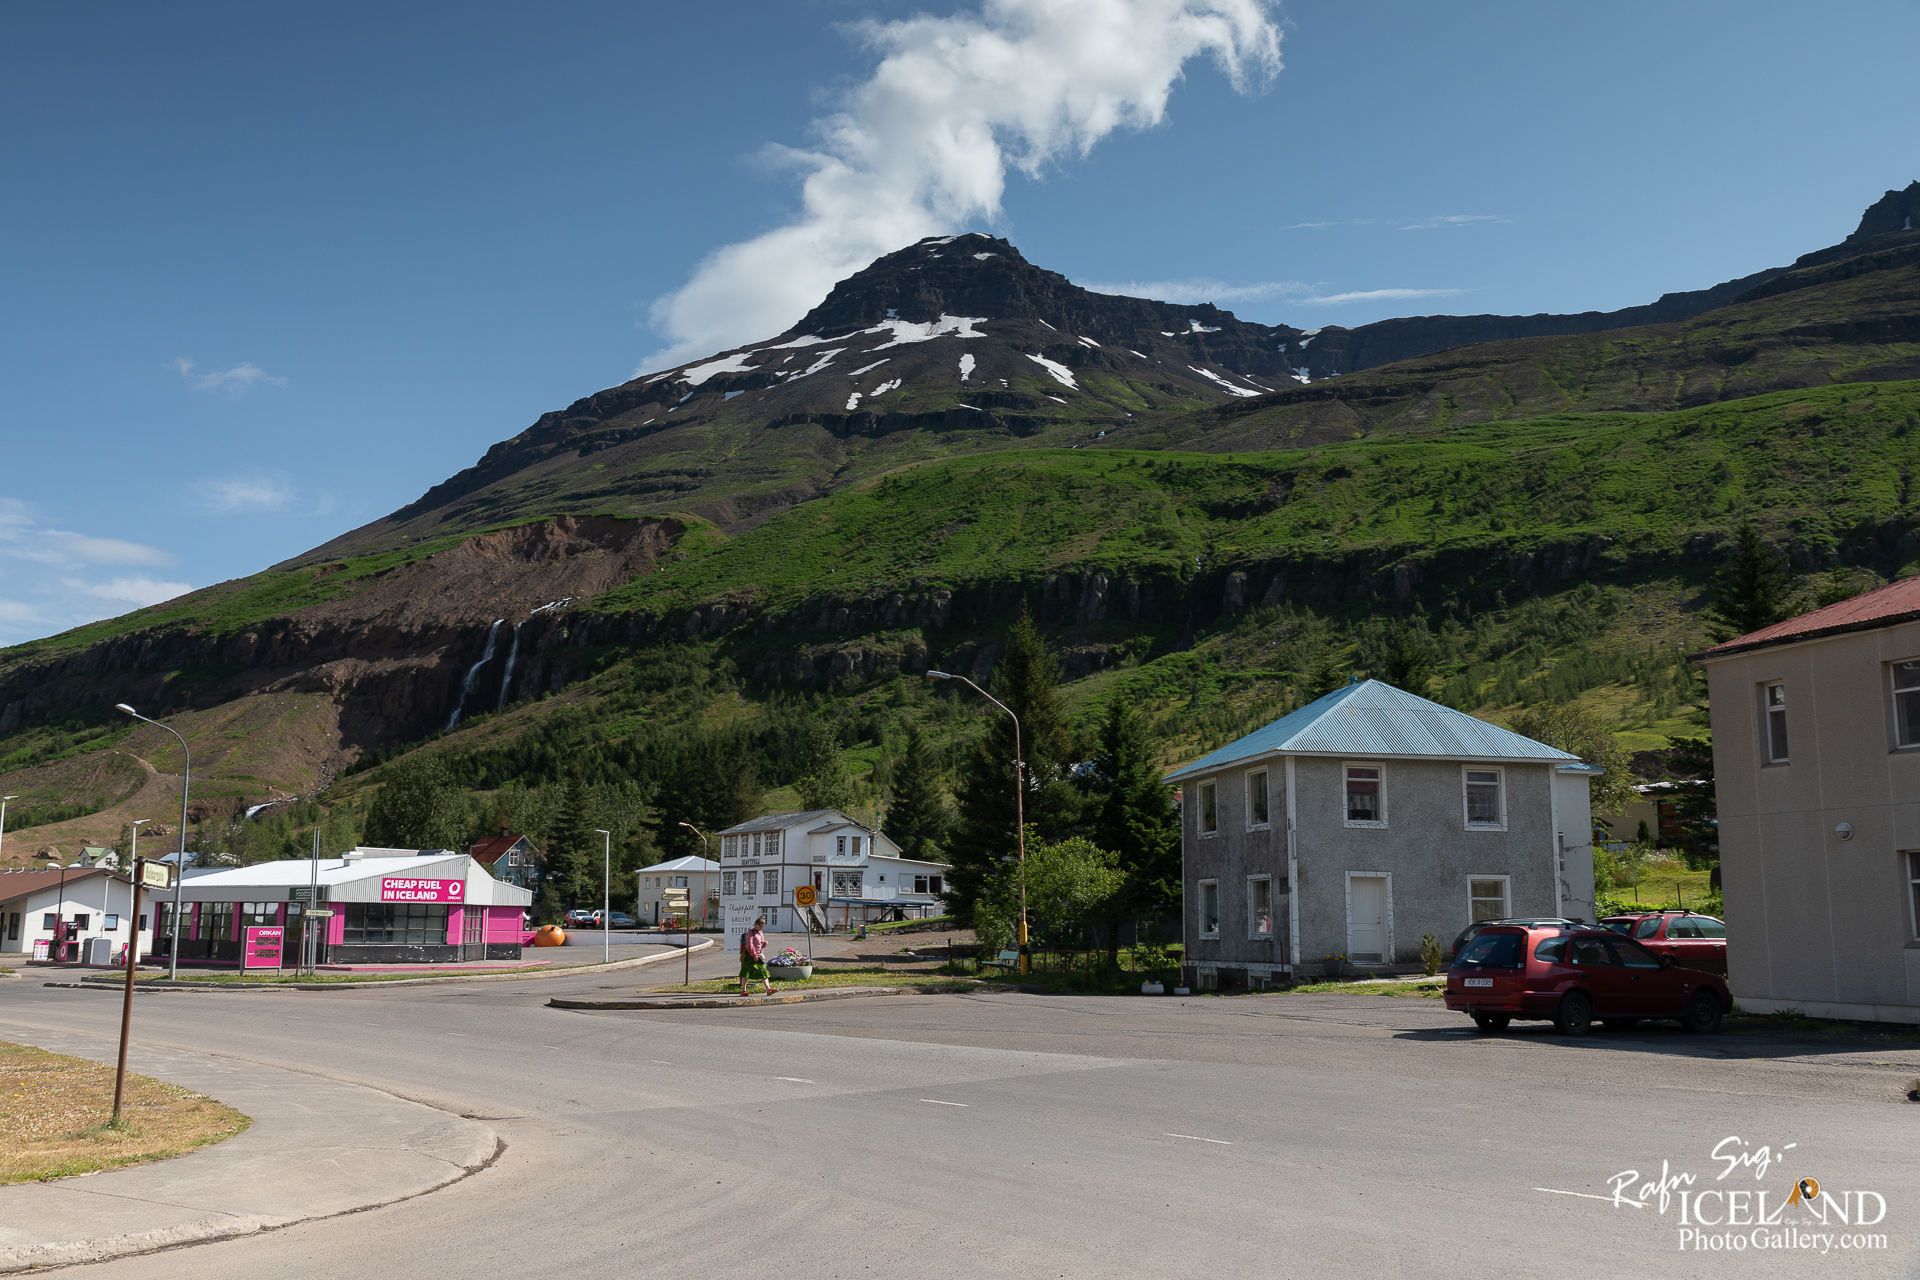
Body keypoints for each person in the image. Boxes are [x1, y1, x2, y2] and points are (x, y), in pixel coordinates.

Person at [739, 916, 774, 996]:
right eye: (760, 926)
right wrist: (754, 955)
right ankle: (743, 990)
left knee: (764, 972)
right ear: (756, 925)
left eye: (763, 926)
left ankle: (768, 989)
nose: (761, 928)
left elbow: (759, 945)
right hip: (750, 956)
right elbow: (749, 945)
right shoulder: (750, 933)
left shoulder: (760, 933)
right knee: (746, 973)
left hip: (759, 955)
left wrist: (764, 945)